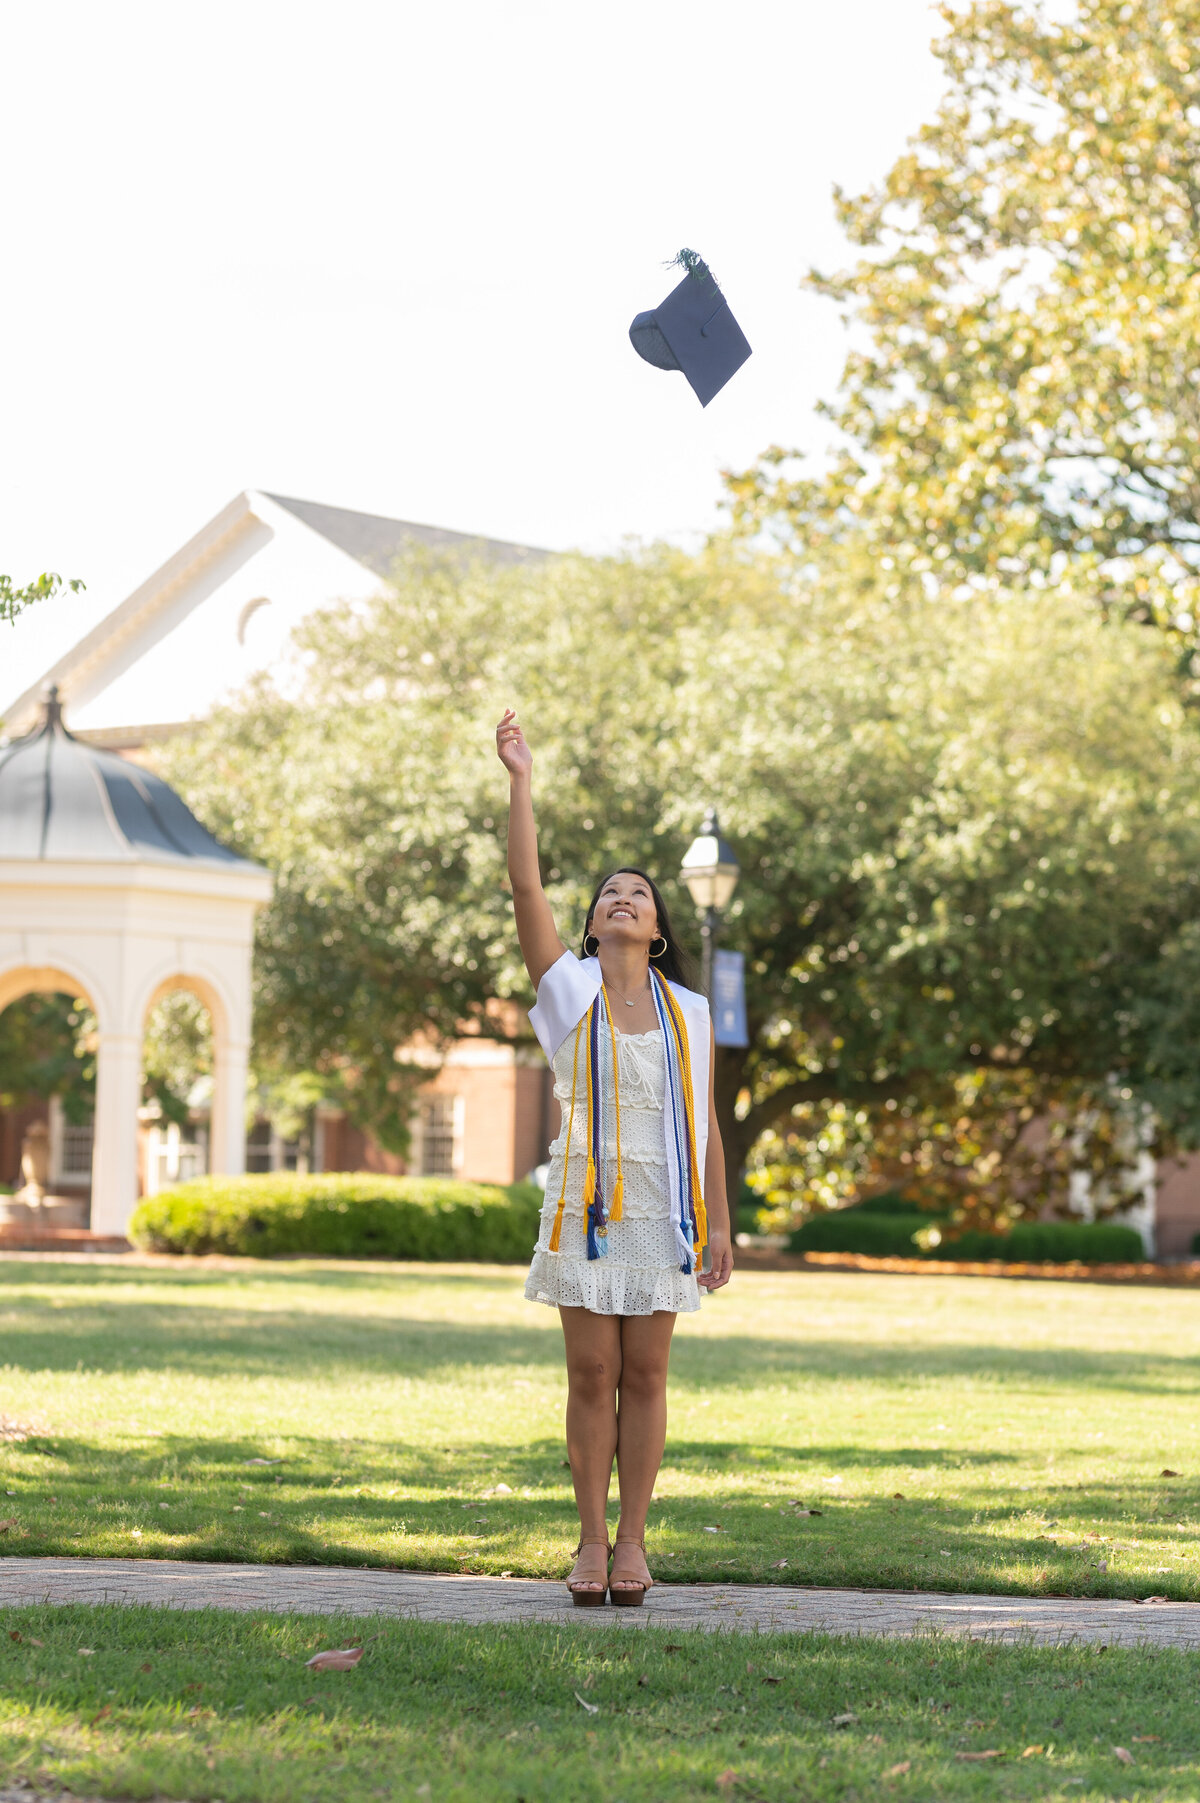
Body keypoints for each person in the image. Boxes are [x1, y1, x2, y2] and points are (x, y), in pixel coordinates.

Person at [496, 708, 733, 1606]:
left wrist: (720, 1225)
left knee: (649, 1372)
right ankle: (589, 1540)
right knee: (592, 1371)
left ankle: (636, 1541)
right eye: (608, 895)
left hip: (665, 1213)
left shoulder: (692, 1014)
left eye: (637, 891)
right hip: (587, 1213)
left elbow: (705, 1123)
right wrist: (522, 781)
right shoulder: (568, 992)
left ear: (658, 927)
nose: (622, 897)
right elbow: (525, 893)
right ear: (594, 928)